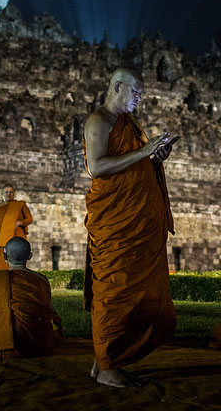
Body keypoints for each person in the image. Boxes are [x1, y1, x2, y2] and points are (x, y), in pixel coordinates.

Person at [83, 68, 177, 388]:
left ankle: (104, 361)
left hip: (139, 224)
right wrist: (143, 151)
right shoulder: (100, 120)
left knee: (132, 292)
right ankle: (108, 367)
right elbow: (97, 168)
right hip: (116, 224)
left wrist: (156, 157)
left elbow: (136, 164)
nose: (139, 99)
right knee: (115, 289)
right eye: (135, 92)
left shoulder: (129, 124)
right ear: (117, 86)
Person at [0, 184, 32, 271]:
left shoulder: (20, 205)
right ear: (2, 194)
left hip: (16, 240)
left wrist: (19, 222)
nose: (8, 194)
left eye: (11, 192)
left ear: (14, 194)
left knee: (17, 267)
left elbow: (29, 219)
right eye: (6, 192)